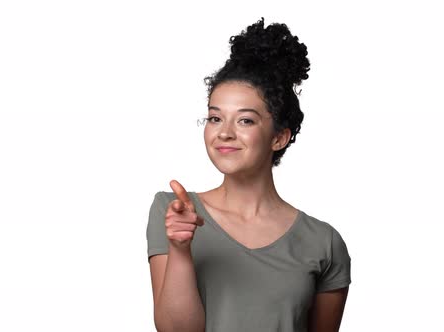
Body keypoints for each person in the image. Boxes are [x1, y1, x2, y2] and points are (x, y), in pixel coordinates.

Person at [147, 17, 351, 332]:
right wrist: (179, 248)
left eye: (245, 121)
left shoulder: (324, 243)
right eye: (215, 118)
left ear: (279, 137)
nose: (224, 133)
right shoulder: (173, 211)